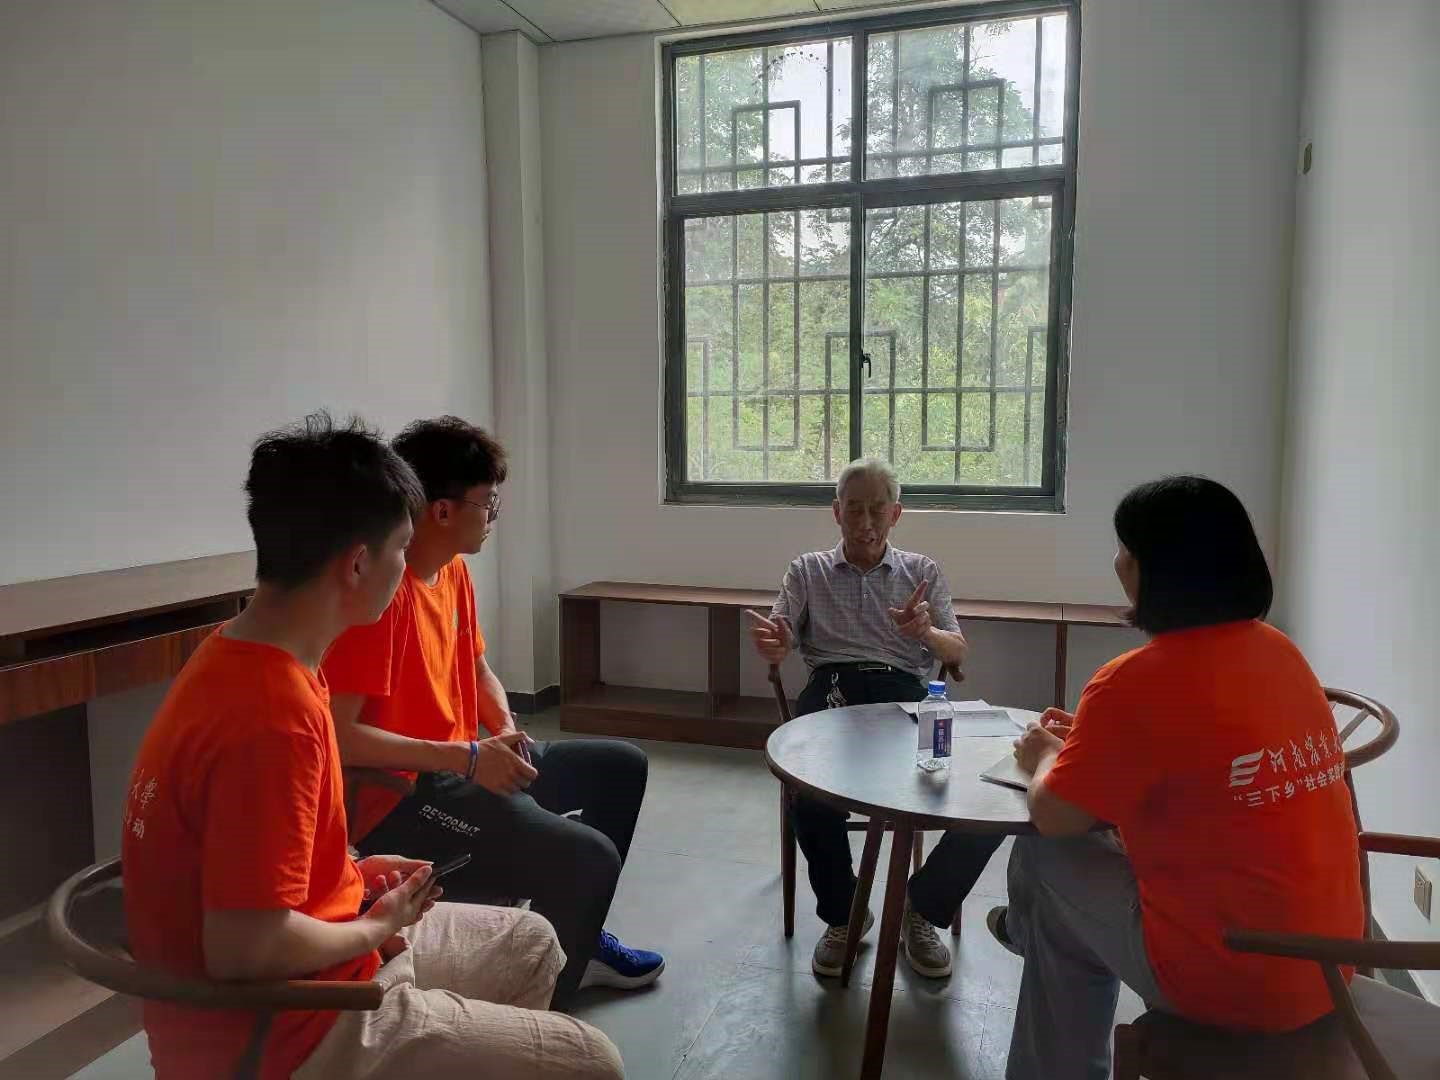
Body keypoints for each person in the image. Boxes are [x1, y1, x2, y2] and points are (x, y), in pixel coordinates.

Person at [121, 413, 623, 1080]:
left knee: (532, 943)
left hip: (318, 960)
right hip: (281, 1034)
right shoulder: (274, 718)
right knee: (593, 1061)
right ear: (358, 563)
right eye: (401, 549)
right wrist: (377, 927)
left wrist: (352, 875)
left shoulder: (244, 655)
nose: (408, 569)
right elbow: (244, 949)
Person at [991, 475, 1364, 1080]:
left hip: (1233, 981)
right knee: (1069, 903)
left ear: (1154, 569)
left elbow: (1053, 815)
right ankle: (1031, 933)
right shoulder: (1281, 652)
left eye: (1125, 548)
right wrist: (1093, 742)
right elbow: (1200, 755)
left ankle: (1030, 945)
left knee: (1047, 857)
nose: (1117, 562)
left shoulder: (1131, 680)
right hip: (1329, 968)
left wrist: (1046, 755)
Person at [322, 416, 661, 1008]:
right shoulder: (381, 597)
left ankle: (575, 939)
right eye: (488, 502)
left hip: (467, 760)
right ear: (442, 510)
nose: (493, 516)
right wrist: (468, 757)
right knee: (588, 856)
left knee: (620, 766)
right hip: (406, 793)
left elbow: (477, 668)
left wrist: (504, 728)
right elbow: (339, 737)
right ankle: (543, 1000)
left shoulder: (453, 571)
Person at [747, 457, 1000, 981]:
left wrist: (925, 633)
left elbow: (957, 650)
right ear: (836, 512)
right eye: (854, 510)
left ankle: (921, 908)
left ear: (896, 514)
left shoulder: (922, 571)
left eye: (877, 510)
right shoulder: (808, 569)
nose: (865, 523)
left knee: (986, 800)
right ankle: (845, 915)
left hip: (904, 695)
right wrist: (776, 643)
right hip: (832, 690)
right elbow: (780, 631)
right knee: (807, 794)